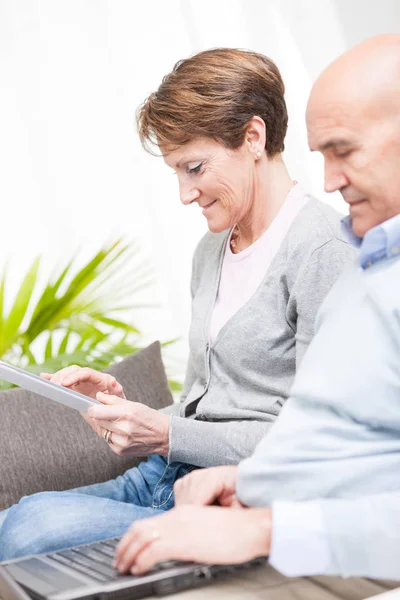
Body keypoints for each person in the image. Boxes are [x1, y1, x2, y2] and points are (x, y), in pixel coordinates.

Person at [0, 49, 354, 561]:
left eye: (195, 167)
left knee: (30, 529)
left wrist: (166, 433)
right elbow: (205, 406)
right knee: (10, 522)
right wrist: (134, 414)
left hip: (227, 501)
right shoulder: (212, 249)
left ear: (253, 138)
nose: (186, 194)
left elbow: (318, 444)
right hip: (162, 479)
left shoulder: (324, 253)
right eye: (177, 173)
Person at [113, 35, 400, 598]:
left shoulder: (326, 254)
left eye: (345, 151)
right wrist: (250, 481)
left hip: (317, 534)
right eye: (323, 155)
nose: (328, 182)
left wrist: (265, 527)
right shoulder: (370, 264)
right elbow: (339, 438)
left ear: (253, 137)